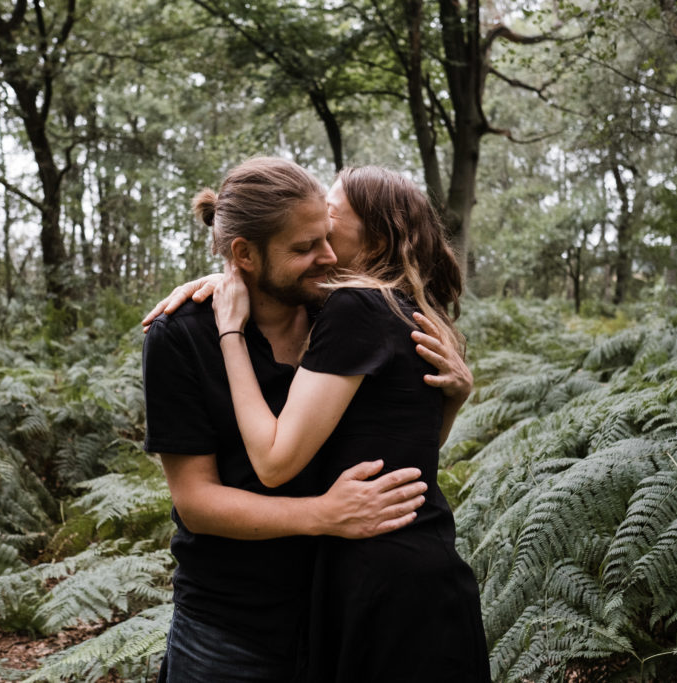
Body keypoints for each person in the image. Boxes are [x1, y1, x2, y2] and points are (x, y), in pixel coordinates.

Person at [142, 158, 440, 682]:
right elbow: (196, 502)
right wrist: (323, 515)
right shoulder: (180, 336)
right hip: (231, 626)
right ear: (245, 255)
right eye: (304, 249)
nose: (327, 257)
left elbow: (389, 450)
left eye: (326, 237)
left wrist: (451, 397)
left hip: (338, 614)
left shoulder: (340, 314)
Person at [211, 165, 489, 682]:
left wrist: (230, 334)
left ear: (377, 236)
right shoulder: (399, 308)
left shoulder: (356, 307)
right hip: (418, 570)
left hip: (383, 584)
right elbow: (402, 445)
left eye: (333, 213)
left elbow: (274, 463)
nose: (320, 218)